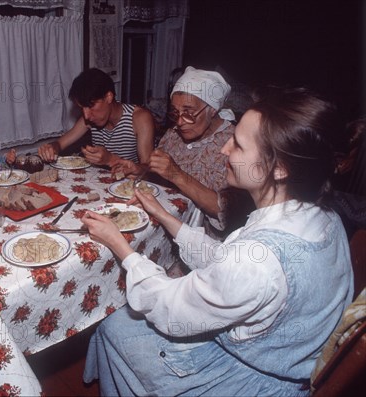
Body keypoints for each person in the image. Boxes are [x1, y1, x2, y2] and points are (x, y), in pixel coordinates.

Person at [80, 87, 354, 396]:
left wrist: (122, 248)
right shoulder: (324, 216)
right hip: (283, 355)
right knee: (120, 323)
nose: (224, 149)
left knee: (113, 326)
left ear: (280, 168)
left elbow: (171, 310)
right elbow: (226, 262)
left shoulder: (255, 260)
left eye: (238, 144)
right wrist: (167, 217)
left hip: (248, 379)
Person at [113, 66, 251, 239]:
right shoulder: (174, 134)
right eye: (175, 112)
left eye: (189, 112)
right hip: (167, 220)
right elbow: (157, 174)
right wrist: (140, 169)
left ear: (212, 109)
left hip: (205, 239)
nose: (179, 121)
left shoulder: (235, 144)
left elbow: (225, 209)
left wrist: (176, 174)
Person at [37, 68, 155, 166]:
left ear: (108, 97)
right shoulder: (90, 118)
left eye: (91, 106)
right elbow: (60, 143)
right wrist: (52, 147)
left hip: (130, 187)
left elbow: (148, 169)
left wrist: (112, 160)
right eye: (82, 108)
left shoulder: (140, 118)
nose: (86, 116)